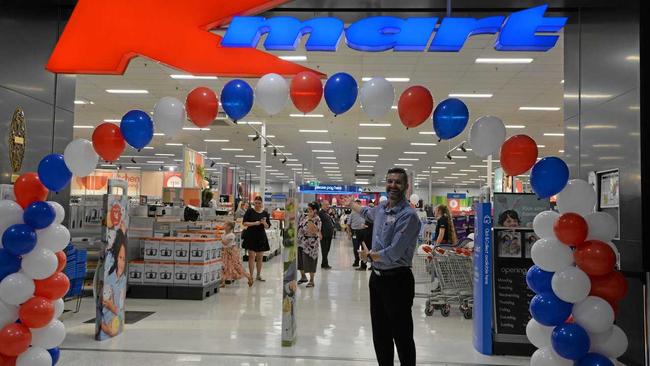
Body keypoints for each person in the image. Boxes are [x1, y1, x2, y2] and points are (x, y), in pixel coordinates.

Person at [341, 168, 421, 366]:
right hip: (377, 280)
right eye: (389, 181)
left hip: (398, 281)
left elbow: (394, 252)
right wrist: (352, 204)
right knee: (380, 333)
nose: (392, 185)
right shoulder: (382, 208)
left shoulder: (409, 216)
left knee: (401, 335)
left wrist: (369, 256)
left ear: (406, 186)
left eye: (398, 182)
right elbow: (367, 212)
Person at [100, 229, 127, 339]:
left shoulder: (122, 280)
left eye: (124, 259)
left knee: (112, 331)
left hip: (113, 323)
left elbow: (120, 313)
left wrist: (113, 308)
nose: (122, 263)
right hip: (106, 323)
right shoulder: (109, 280)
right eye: (120, 258)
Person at [242, 196, 271, 282]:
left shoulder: (265, 213)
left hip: (261, 236)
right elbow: (244, 223)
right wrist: (255, 223)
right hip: (251, 235)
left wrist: (264, 223)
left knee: (260, 257)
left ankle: (258, 275)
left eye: (259, 203)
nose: (257, 205)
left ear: (262, 204)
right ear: (253, 203)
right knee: (251, 256)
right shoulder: (250, 211)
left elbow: (268, 226)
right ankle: (251, 275)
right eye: (256, 203)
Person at [221, 221, 253, 287]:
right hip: (225, 252)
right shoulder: (223, 234)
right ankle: (223, 282)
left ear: (229, 227)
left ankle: (248, 276)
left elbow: (225, 243)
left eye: (225, 224)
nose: (223, 226)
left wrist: (218, 238)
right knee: (224, 267)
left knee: (236, 266)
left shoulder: (231, 235)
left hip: (231, 252)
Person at [297, 202, 322, 288]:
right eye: (308, 209)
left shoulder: (317, 219)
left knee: (311, 261)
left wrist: (311, 219)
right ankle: (303, 277)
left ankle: (311, 280)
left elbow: (314, 231)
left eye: (310, 209)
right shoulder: (304, 217)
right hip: (301, 242)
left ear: (315, 210)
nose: (308, 211)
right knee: (300, 261)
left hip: (311, 244)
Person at [348, 200, 368, 267]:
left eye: (359, 204)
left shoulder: (364, 213)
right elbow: (348, 224)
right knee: (355, 248)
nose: (358, 206)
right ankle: (356, 261)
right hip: (355, 232)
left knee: (363, 248)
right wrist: (349, 233)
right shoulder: (352, 213)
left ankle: (363, 263)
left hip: (363, 232)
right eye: (357, 204)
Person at [318, 200, 335, 269]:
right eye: (326, 205)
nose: (328, 206)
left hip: (329, 235)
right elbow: (319, 224)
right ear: (323, 205)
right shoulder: (320, 213)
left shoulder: (326, 213)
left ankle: (323, 263)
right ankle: (325, 264)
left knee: (327, 249)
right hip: (324, 234)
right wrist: (320, 233)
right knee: (324, 249)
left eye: (328, 205)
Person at [357, 202, 374, 271]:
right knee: (371, 251)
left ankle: (363, 266)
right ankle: (372, 265)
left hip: (367, 236)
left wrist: (364, 226)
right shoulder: (374, 216)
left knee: (365, 250)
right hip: (370, 236)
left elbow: (369, 225)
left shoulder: (370, 217)